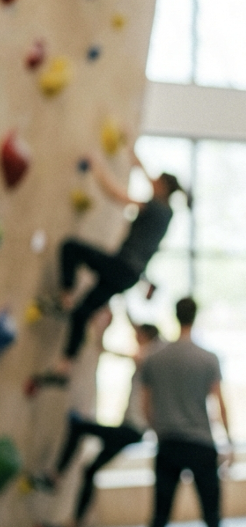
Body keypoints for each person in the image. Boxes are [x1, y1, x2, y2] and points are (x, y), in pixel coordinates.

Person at [33, 146, 187, 389]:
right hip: (129, 275)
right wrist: (131, 151)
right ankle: (65, 366)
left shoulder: (155, 207)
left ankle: (64, 298)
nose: (151, 183)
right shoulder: (167, 212)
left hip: (122, 266)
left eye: (155, 182)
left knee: (70, 247)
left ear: (162, 188)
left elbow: (117, 195)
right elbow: (148, 176)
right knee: (83, 312)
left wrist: (97, 167)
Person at [137, 297, 235, 527]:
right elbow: (218, 404)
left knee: (159, 519)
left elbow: (145, 405)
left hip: (168, 445)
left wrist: (159, 429)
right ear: (196, 316)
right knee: (212, 519)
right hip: (202, 446)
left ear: (175, 316)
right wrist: (229, 441)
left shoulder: (155, 357)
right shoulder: (208, 358)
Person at [42, 321, 166, 527]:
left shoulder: (149, 357)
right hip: (131, 430)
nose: (135, 340)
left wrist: (103, 346)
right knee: (90, 470)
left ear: (146, 337)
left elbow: (129, 354)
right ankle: (74, 524)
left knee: (78, 426)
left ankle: (56, 476)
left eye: (138, 337)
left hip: (132, 429)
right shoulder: (153, 357)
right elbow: (135, 329)